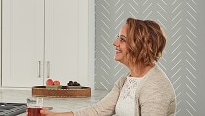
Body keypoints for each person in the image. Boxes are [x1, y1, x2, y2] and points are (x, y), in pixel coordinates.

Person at [42, 18, 176, 116]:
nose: (115, 43)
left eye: (122, 40)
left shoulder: (155, 86)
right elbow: (98, 110)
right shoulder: (126, 80)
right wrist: (55, 115)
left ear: (139, 46)